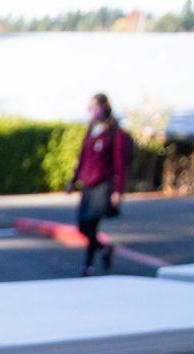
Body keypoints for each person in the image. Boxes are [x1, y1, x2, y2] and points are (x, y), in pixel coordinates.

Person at [66, 93, 129, 276]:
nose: (91, 111)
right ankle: (104, 248)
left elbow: (119, 164)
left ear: (104, 107)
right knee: (82, 225)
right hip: (88, 185)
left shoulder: (115, 133)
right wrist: (73, 181)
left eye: (94, 107)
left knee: (92, 224)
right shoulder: (91, 131)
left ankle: (88, 266)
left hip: (103, 185)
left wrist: (118, 191)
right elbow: (83, 158)